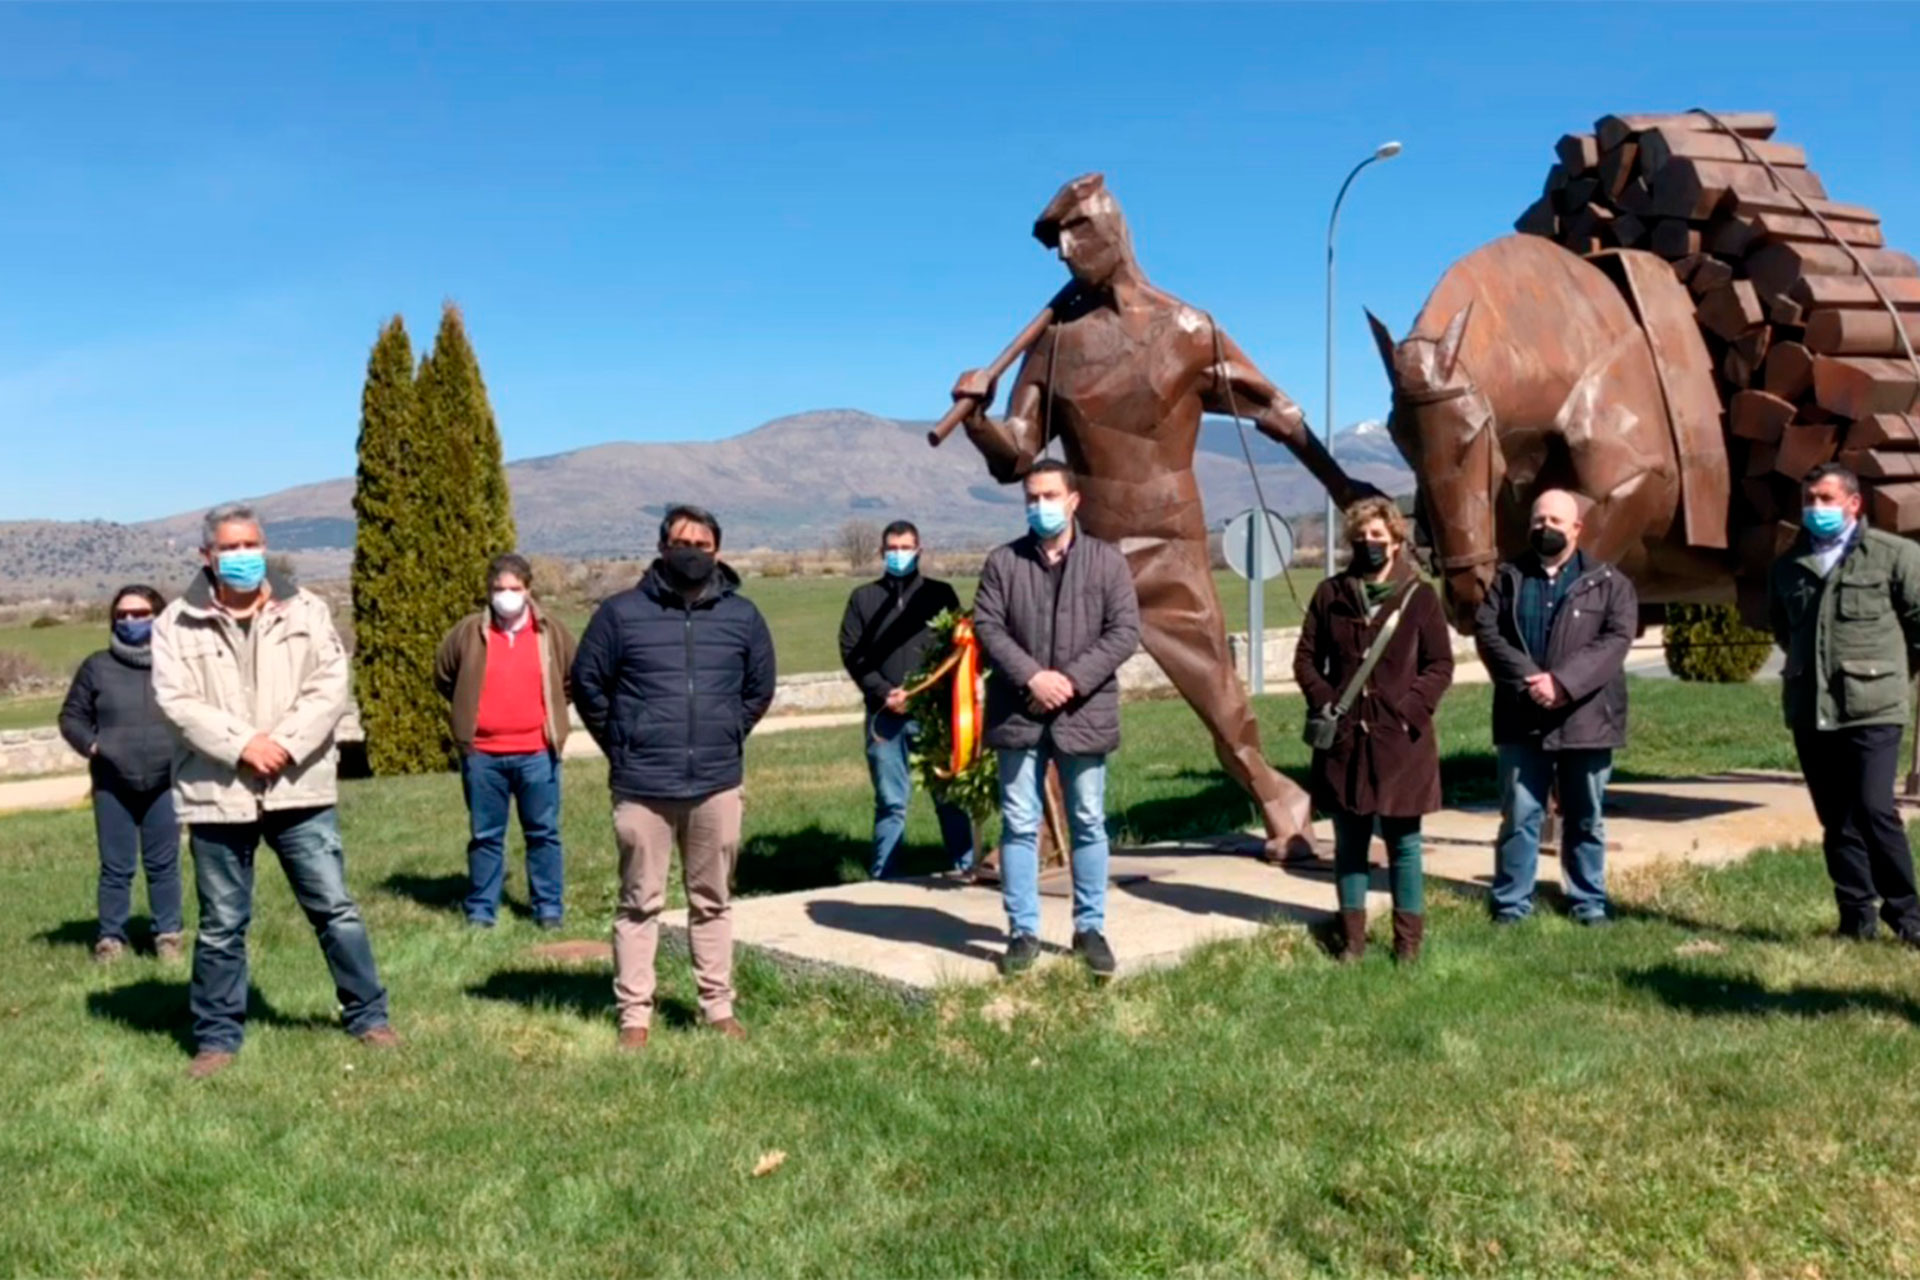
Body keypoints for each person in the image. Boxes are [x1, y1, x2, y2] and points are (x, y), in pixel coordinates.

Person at [951, 173, 1380, 864]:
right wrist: (978, 418)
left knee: (1214, 687)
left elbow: (1275, 409)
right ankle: (1044, 838)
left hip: (1170, 541)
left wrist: (1340, 485)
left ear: (1115, 230)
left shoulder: (1188, 329)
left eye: (1076, 232)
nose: (1064, 252)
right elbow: (1018, 456)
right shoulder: (1053, 345)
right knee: (1056, 682)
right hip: (1085, 549)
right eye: (1055, 242)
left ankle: (1279, 800)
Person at [152, 503, 396, 1079]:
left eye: (251, 545)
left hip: (299, 788)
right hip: (218, 791)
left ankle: (369, 1017)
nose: (243, 557)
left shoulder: (306, 610)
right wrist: (242, 745)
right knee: (221, 924)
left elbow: (329, 686)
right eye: (231, 548)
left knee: (335, 910)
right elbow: (176, 702)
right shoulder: (175, 623)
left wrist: (280, 744)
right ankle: (216, 1038)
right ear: (206, 556)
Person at [571, 505, 776, 1052]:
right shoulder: (621, 615)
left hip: (715, 782)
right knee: (640, 902)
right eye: (682, 542)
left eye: (702, 544)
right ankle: (634, 1015)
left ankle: (717, 1006)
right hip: (643, 786)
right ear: (662, 549)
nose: (692, 553)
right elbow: (587, 684)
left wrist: (728, 732)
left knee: (712, 900)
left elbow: (759, 688)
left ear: (718, 552)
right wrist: (622, 743)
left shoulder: (743, 618)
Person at [972, 460, 1141, 977]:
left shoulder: (1107, 562)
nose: (1038, 505)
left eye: (1048, 495)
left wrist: (1068, 679)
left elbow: (1124, 630)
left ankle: (1089, 927)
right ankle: (1021, 931)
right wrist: (1033, 678)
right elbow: (987, 626)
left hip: (1083, 713)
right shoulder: (1003, 562)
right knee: (1020, 824)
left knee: (1088, 821)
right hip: (1018, 715)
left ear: (1073, 501)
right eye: (1031, 497)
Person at [1293, 498, 1454, 963]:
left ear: (1398, 541)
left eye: (1378, 538)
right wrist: (1327, 702)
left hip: (1401, 743)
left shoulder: (1419, 597)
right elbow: (1305, 659)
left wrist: (1408, 711)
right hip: (1344, 743)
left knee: (1404, 846)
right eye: (1361, 538)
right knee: (1350, 844)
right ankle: (1353, 942)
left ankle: (1407, 946)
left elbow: (1439, 664)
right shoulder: (1331, 594)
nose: (1369, 545)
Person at [1770, 463, 1920, 944]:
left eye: (1826, 499)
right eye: (1810, 499)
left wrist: (1891, 676)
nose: (1816, 509)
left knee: (1875, 809)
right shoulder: (1789, 566)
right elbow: (1783, 629)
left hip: (1873, 707)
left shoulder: (1894, 556)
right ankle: (1856, 918)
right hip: (1812, 707)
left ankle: (1909, 916)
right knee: (1836, 817)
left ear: (1854, 504)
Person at [1474, 488, 1637, 926]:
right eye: (1538, 520)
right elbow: (1488, 632)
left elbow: (1615, 641)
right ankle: (1511, 904)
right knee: (1521, 815)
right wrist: (1531, 679)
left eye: (1555, 521)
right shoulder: (1508, 579)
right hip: (1521, 718)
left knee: (1585, 816)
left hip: (1586, 718)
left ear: (1577, 529)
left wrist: (1562, 684)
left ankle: (1588, 900)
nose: (1544, 528)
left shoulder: (1610, 583)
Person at [435, 553, 578, 930]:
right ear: (488, 591)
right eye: (499, 589)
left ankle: (549, 910)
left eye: (515, 588)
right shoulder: (467, 633)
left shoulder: (552, 632)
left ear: (528, 590)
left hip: (537, 753)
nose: (506, 596)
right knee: (485, 836)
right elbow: (445, 675)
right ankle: (482, 910)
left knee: (543, 833)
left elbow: (570, 680)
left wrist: (549, 719)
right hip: (482, 755)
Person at [837, 520, 974, 879]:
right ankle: (884, 878)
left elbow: (954, 650)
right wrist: (884, 692)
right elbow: (853, 652)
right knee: (891, 802)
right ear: (881, 553)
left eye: (905, 548)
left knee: (949, 798)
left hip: (933, 715)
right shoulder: (862, 598)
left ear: (919, 551)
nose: (899, 555)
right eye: (892, 549)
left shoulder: (940, 595)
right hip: (885, 716)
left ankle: (965, 868)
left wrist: (923, 693)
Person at [58, 584, 183, 964]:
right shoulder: (97, 667)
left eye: (141, 614)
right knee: (116, 865)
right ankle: (111, 937)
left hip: (165, 780)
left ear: (158, 617)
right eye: (123, 615)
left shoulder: (178, 664)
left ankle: (168, 936)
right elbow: (71, 717)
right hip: (112, 782)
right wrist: (94, 746)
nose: (131, 621)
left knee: (163, 864)